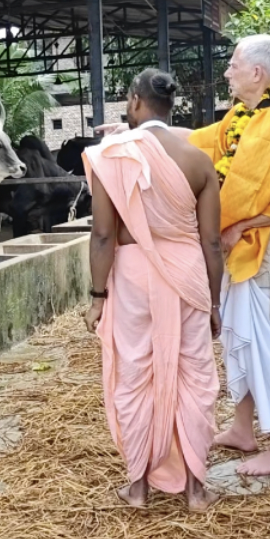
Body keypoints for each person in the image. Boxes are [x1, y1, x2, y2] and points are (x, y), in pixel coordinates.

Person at [82, 68, 223, 512]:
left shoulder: (113, 155)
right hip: (187, 275)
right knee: (193, 376)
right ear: (170, 105)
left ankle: (139, 485)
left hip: (133, 275)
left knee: (135, 373)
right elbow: (212, 242)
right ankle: (196, 488)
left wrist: (97, 296)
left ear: (134, 102)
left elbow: (103, 235)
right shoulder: (198, 160)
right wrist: (215, 301)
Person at [187, 35, 270, 476]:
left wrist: (242, 223)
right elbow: (198, 141)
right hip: (247, 251)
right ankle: (243, 429)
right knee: (243, 339)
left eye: (232, 65)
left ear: (258, 73)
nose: (227, 72)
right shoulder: (242, 117)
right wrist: (142, 133)